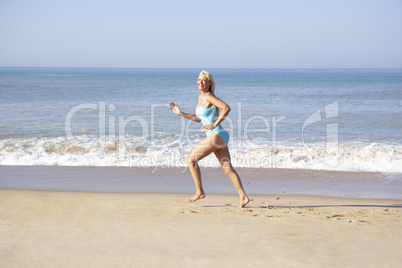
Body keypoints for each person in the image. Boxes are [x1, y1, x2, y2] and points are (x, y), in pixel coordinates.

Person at [169, 70, 250, 208]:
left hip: (216, 134)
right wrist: (181, 114)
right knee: (227, 168)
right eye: (199, 79)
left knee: (191, 160)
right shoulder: (201, 97)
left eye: (204, 80)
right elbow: (199, 119)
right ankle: (243, 197)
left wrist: (214, 124)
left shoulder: (208, 96)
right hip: (220, 136)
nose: (200, 82)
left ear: (209, 83)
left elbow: (226, 108)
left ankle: (200, 192)